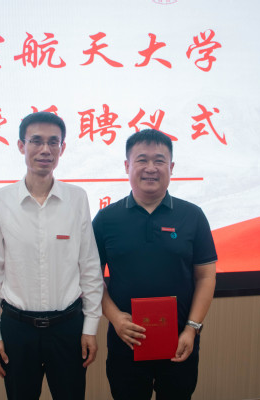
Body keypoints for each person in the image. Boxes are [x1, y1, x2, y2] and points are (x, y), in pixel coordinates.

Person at [0, 111, 104, 400]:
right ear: (21, 146)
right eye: (36, 141)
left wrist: (90, 327)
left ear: (62, 148)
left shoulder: (77, 198)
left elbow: (89, 267)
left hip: (68, 328)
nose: (45, 149)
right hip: (17, 329)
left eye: (53, 142)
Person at [92, 129, 217, 400]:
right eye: (142, 160)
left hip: (180, 341)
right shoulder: (105, 219)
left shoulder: (193, 216)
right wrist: (115, 318)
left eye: (159, 160)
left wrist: (192, 329)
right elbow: (91, 278)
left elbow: (206, 277)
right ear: (127, 166)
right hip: (126, 341)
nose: (151, 168)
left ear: (171, 167)